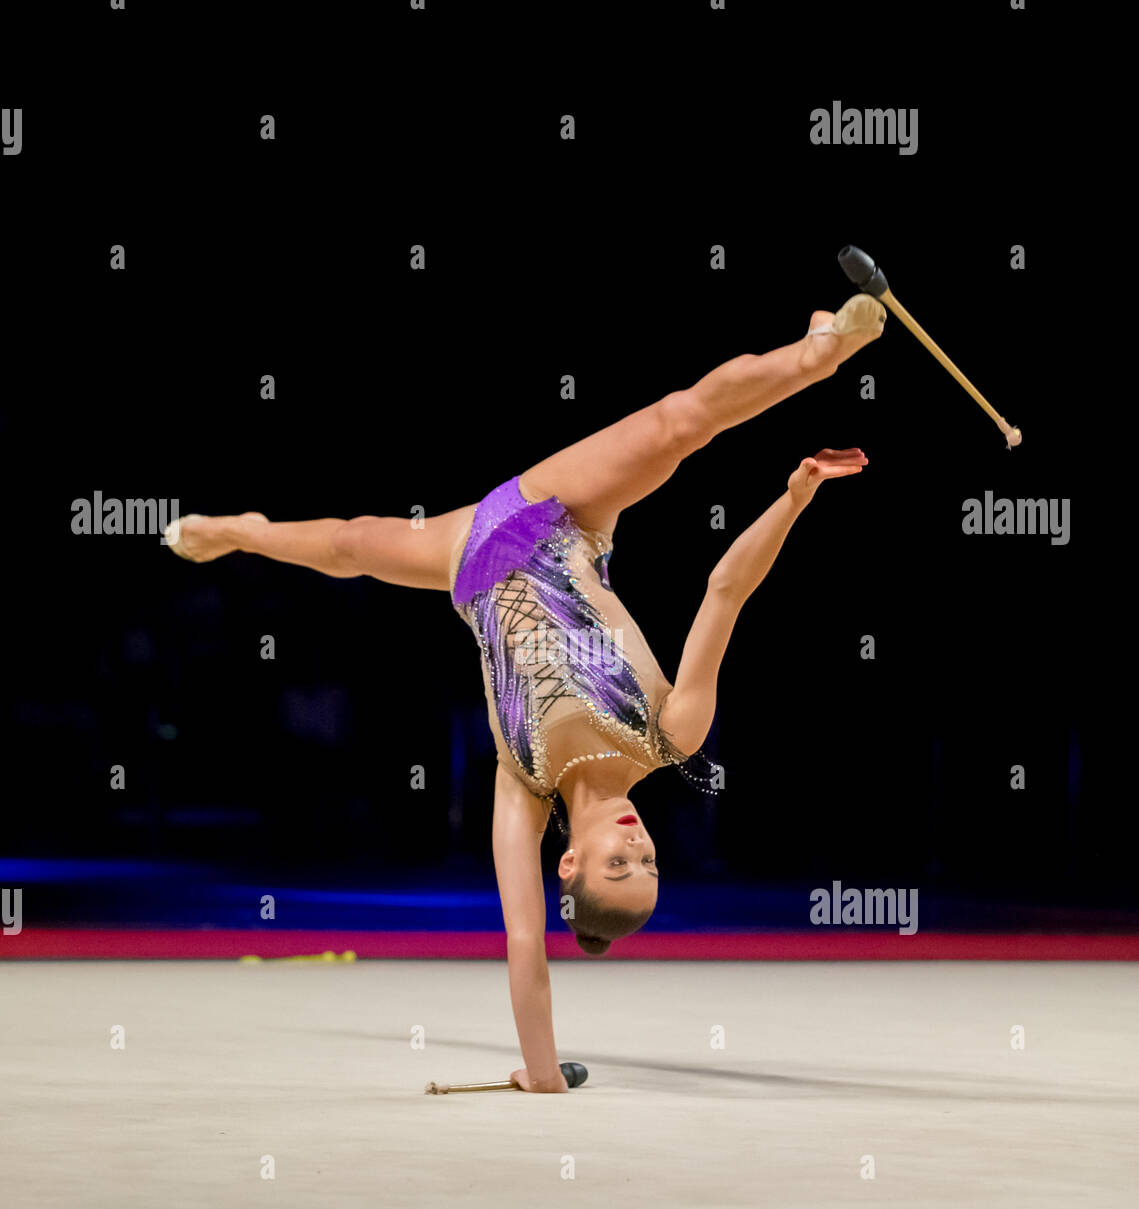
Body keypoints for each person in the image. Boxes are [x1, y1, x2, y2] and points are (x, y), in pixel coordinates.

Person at [165, 292, 885, 1091]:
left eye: (620, 865)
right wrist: (792, 499)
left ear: (570, 862)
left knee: (346, 543)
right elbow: (724, 591)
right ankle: (818, 353)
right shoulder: (671, 735)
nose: (638, 843)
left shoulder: (523, 787)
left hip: (467, 565)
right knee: (675, 424)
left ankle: (240, 530)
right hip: (560, 517)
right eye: (649, 860)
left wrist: (540, 1074)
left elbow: (523, 945)